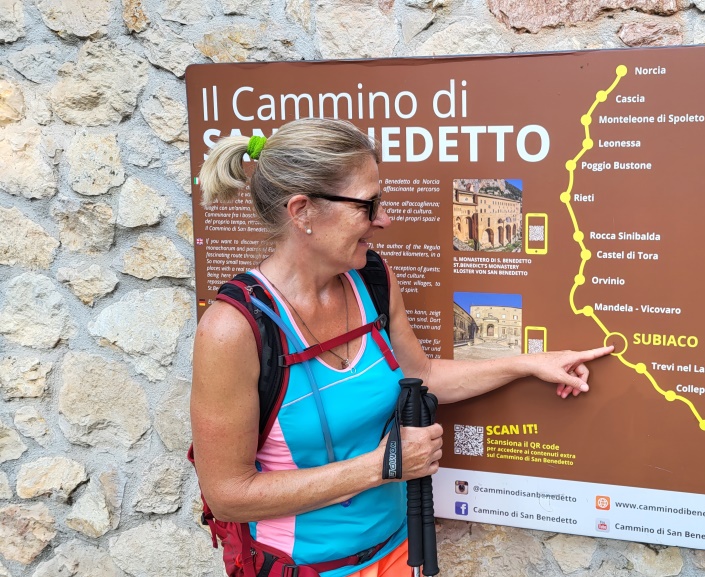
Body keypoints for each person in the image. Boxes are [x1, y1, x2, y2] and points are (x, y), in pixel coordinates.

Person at [191, 118, 614, 577]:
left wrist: (529, 364)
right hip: (303, 567)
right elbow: (228, 496)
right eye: (368, 205)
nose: (383, 220)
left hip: (396, 554)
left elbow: (422, 375)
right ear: (302, 211)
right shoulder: (234, 329)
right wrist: (385, 465)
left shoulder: (371, 280)